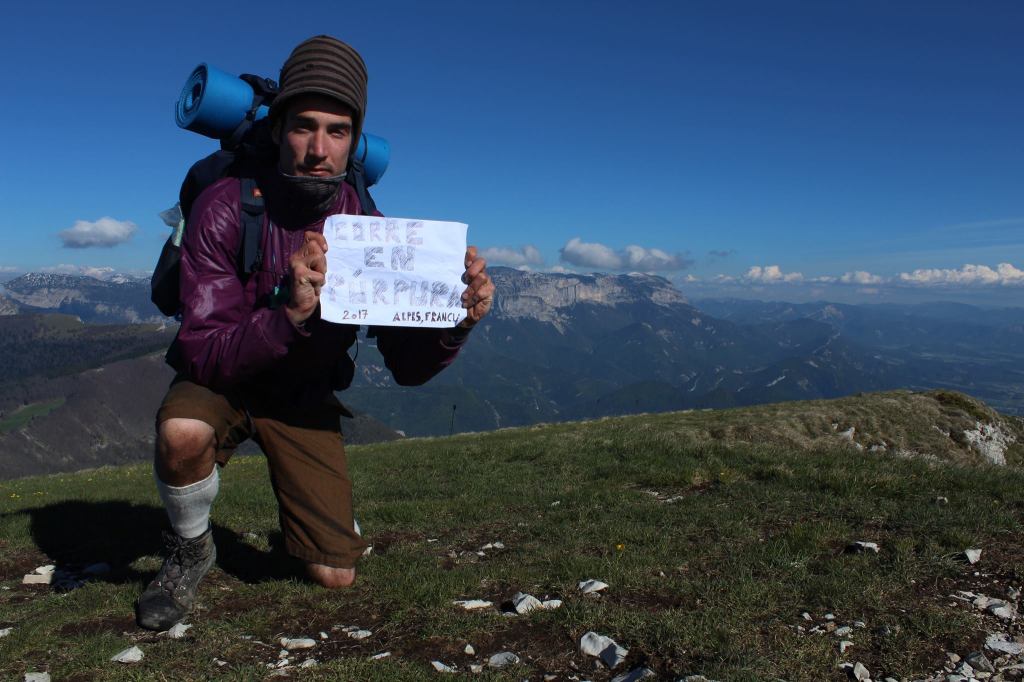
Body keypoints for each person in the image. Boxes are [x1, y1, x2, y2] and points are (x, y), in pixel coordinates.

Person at [136, 35, 494, 631]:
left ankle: (315, 528)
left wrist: (456, 322)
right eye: (304, 127)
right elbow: (201, 348)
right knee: (182, 433)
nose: (318, 149)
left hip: (303, 392)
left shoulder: (367, 226)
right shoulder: (224, 207)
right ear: (278, 130)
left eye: (337, 131)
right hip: (223, 380)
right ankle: (189, 550)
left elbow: (406, 367)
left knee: (335, 576)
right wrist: (289, 315)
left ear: (354, 140)